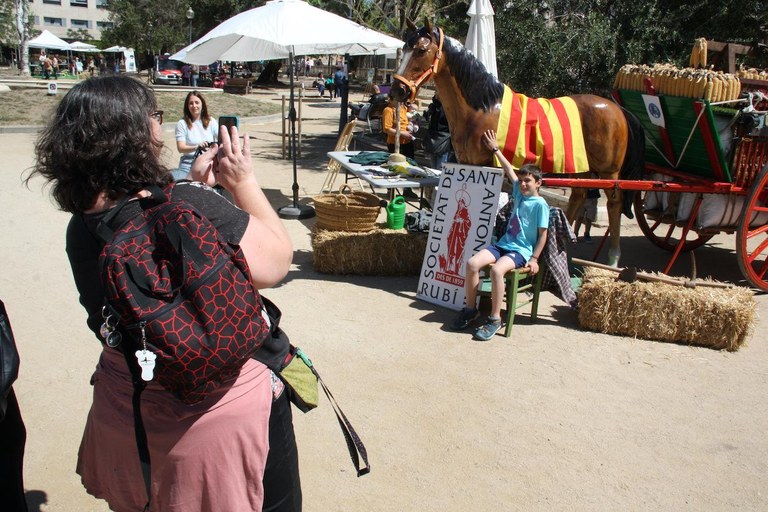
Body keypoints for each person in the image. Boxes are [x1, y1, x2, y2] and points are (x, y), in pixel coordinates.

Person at [30, 75, 301, 512]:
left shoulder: (81, 227)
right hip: (218, 418)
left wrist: (190, 186)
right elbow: (275, 263)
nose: (160, 125)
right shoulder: (191, 202)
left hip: (129, 407)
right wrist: (242, 183)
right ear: (135, 133)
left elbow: (142, 229)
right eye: (154, 116)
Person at [451, 129, 550, 341]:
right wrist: (495, 149)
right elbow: (508, 169)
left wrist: (534, 258)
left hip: (520, 251)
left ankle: (495, 318)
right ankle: (471, 309)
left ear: (538, 183)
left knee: (497, 271)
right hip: (503, 245)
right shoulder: (519, 193)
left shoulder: (540, 204)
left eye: (528, 181)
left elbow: (543, 235)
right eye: (521, 180)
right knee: (472, 264)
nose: (523, 184)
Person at [174, 91, 219, 181]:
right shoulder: (182, 123)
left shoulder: (211, 121)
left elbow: (220, 140)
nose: (194, 106)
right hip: (188, 163)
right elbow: (180, 148)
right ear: (187, 106)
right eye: (191, 103)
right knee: (176, 182)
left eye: (197, 102)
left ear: (202, 104)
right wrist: (196, 147)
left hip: (207, 161)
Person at [424, 92, 454, 169]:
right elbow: (427, 118)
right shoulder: (433, 106)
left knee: (441, 166)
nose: (437, 95)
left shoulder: (450, 107)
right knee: (433, 165)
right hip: (433, 138)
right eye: (436, 93)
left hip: (444, 139)